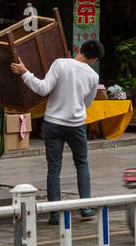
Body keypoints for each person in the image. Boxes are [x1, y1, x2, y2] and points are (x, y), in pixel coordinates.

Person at [11, 39, 103, 224]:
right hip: (76, 125)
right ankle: (85, 207)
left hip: (53, 123)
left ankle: (54, 213)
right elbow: (87, 103)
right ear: (94, 60)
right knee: (82, 164)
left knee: (54, 168)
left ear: (78, 49)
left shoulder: (61, 64)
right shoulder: (93, 77)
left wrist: (25, 73)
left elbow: (42, 88)